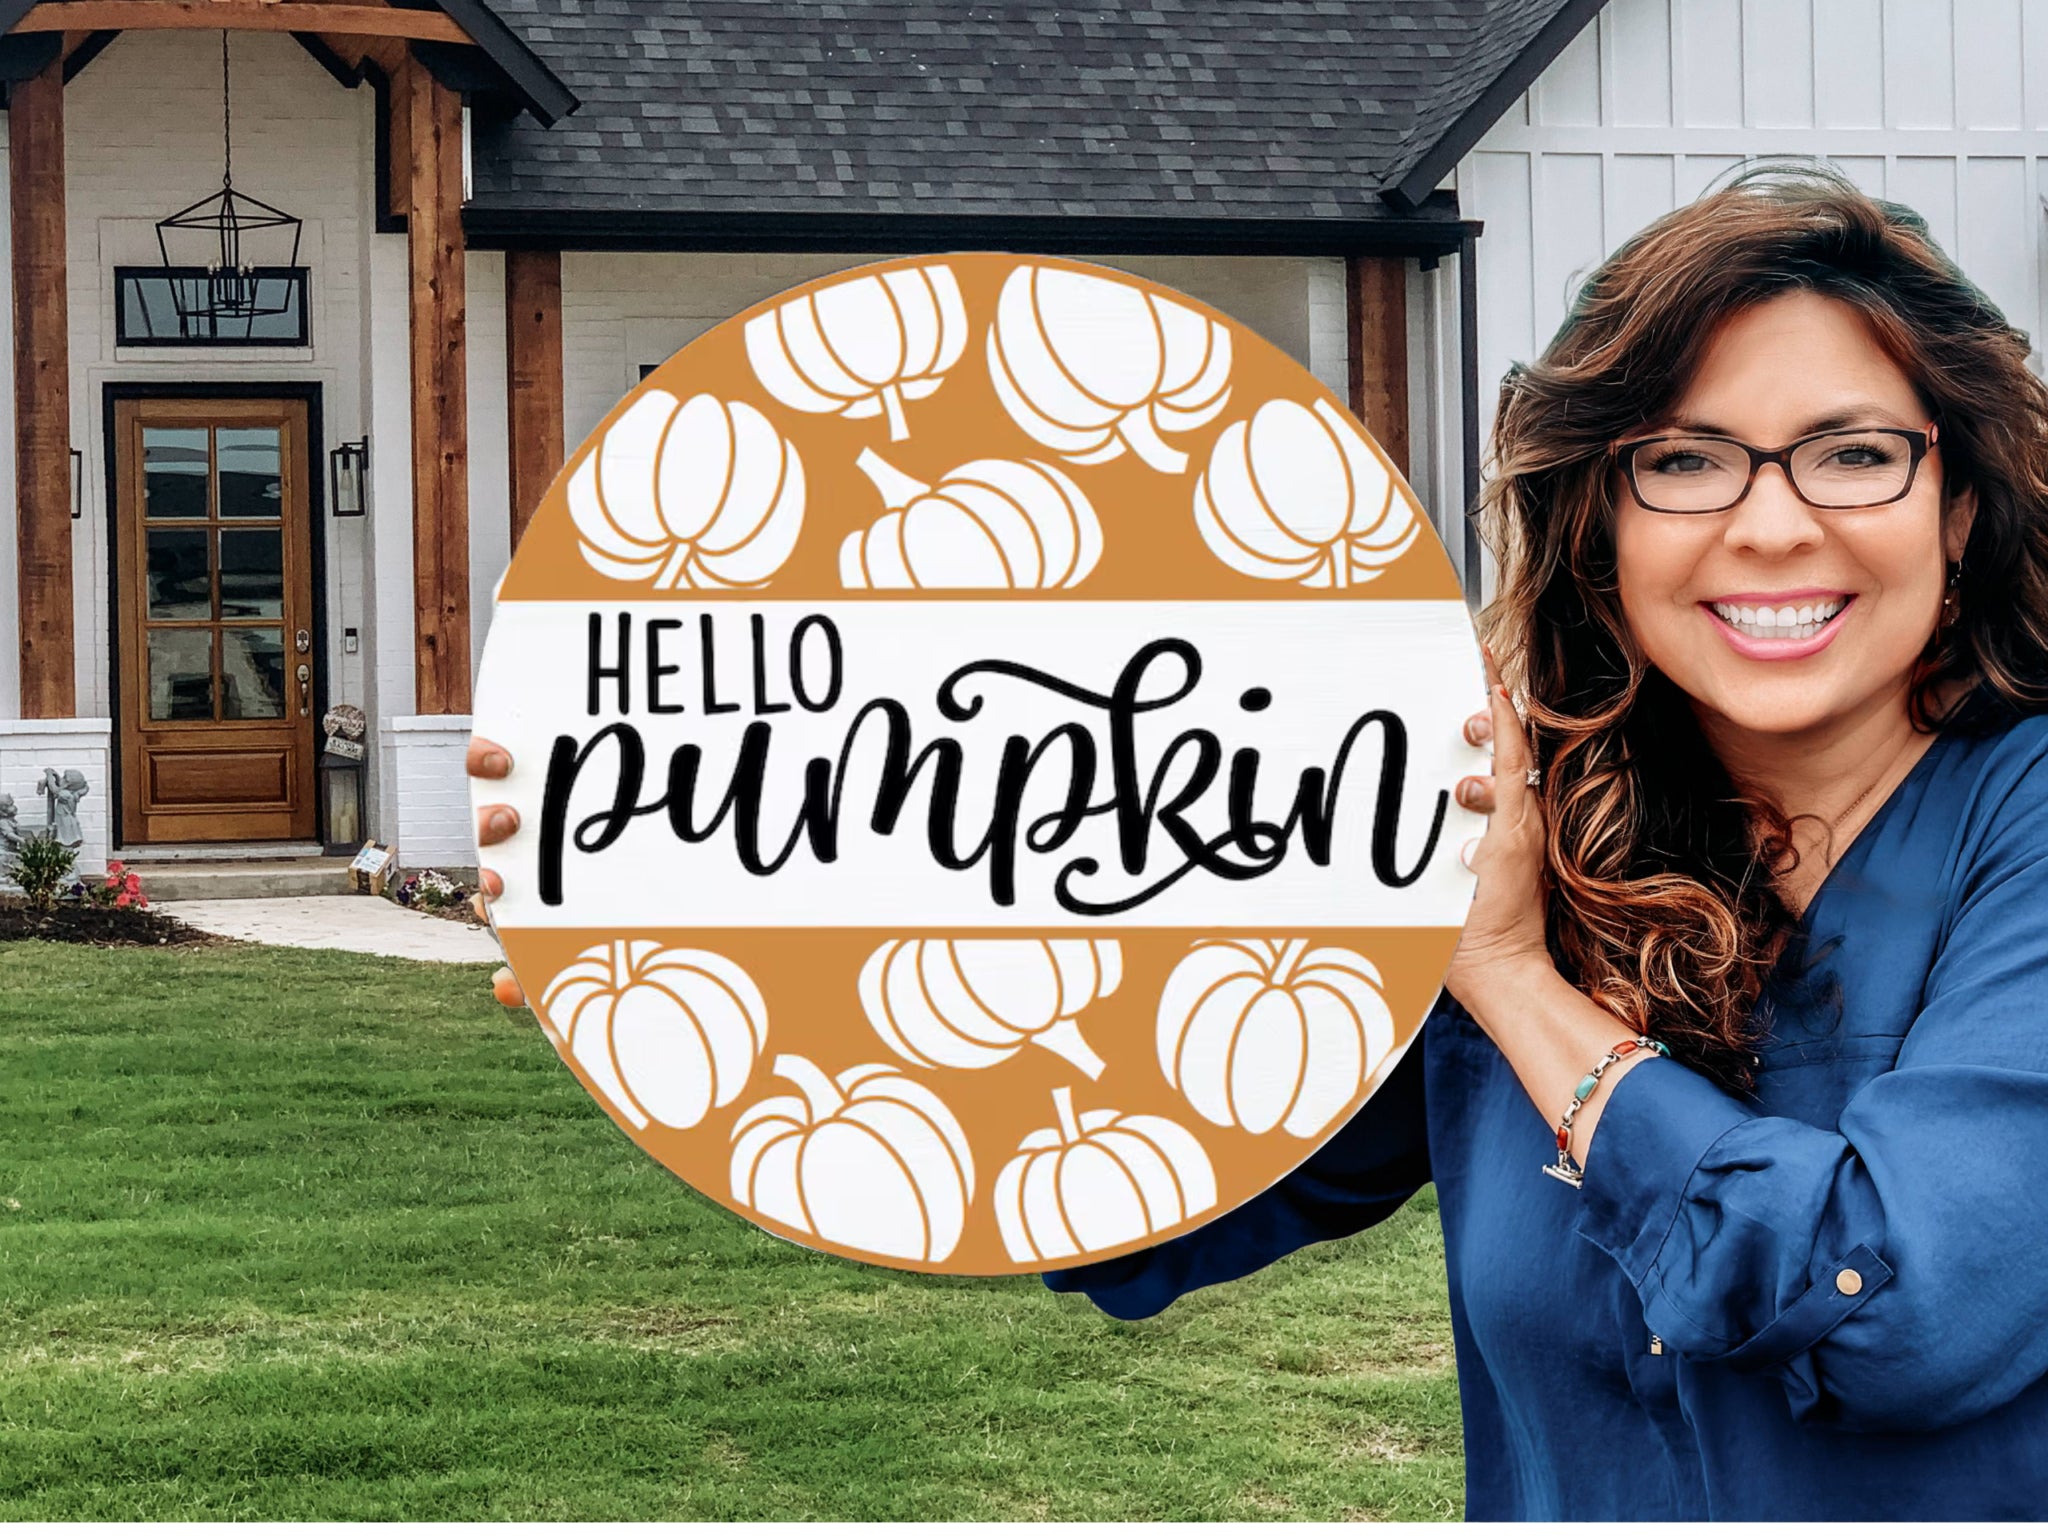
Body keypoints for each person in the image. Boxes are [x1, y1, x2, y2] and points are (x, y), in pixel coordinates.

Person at [467, 164, 2048, 1519]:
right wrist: (699, 950)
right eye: (1684, 460)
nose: (1769, 524)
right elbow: (1145, 1183)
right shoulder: (1525, 831)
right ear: (1602, 520)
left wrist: (1508, 977)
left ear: (1960, 504)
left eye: (1854, 453)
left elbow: (1900, 1309)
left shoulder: (2002, 826)